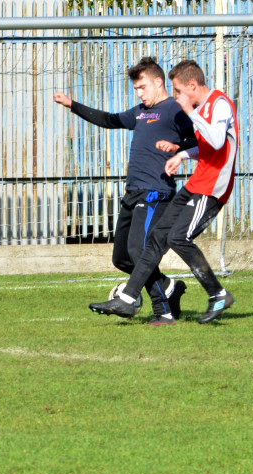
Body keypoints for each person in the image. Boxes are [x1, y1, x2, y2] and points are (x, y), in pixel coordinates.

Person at [90, 60, 237, 324]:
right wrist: (181, 154)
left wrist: (189, 112)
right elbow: (204, 148)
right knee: (158, 237)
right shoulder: (201, 109)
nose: (177, 96)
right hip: (197, 182)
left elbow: (216, 141)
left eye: (178, 91)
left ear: (192, 85)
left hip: (214, 186)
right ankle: (128, 299)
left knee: (179, 238)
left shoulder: (219, 104)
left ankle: (218, 293)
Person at [53, 56, 196, 325]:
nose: (140, 94)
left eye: (143, 87)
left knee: (139, 250)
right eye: (136, 89)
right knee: (122, 258)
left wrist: (179, 149)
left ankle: (163, 311)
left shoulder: (174, 109)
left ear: (158, 82)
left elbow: (197, 139)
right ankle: (168, 287)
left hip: (155, 193)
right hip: (132, 194)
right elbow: (109, 119)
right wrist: (72, 104)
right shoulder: (140, 112)